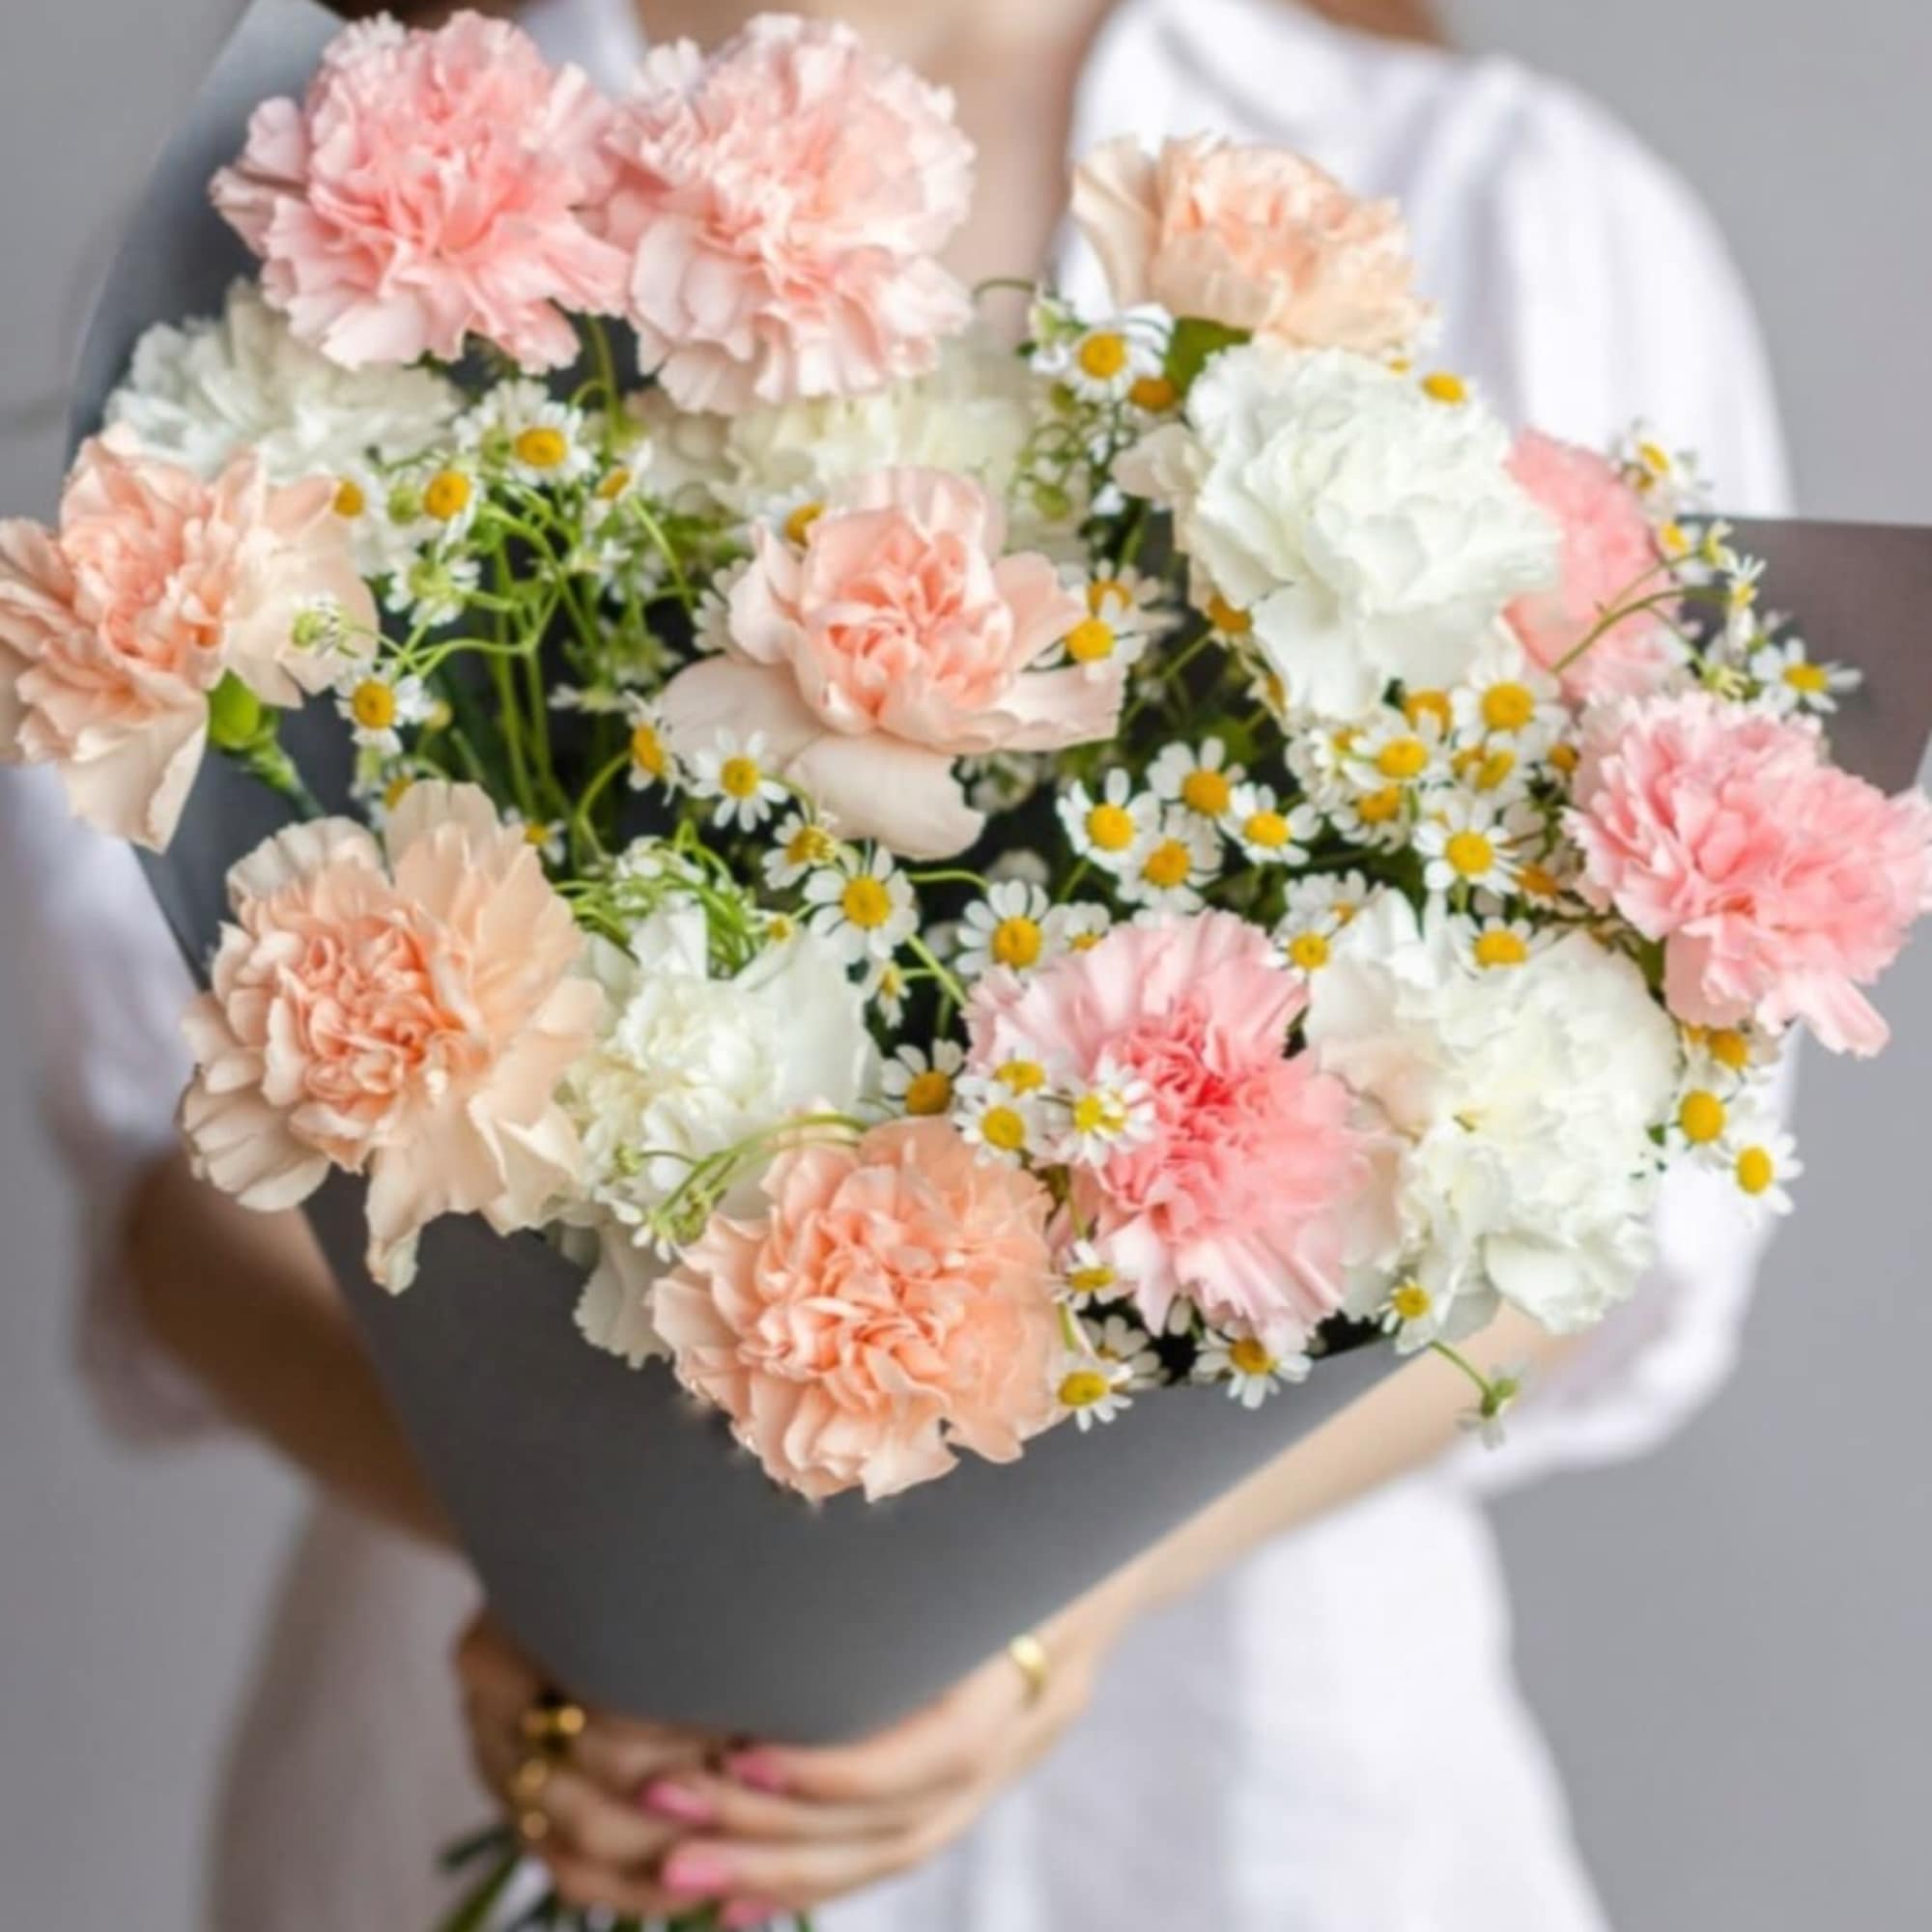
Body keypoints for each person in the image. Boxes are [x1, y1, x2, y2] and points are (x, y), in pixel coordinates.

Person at [0, 0, 1792, 1926]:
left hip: (1251, 1803)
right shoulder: (358, 167)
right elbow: (174, 1169)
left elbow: (1612, 1187)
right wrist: (585, 1597)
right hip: (525, 1733)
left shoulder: (1516, 203)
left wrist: (1033, 1621)